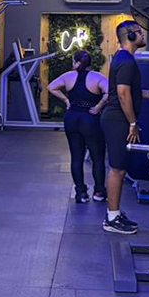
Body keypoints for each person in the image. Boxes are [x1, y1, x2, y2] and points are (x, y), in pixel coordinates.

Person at [100, 20, 149, 234]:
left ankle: (115, 213)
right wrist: (132, 123)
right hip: (117, 120)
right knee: (117, 168)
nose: (143, 35)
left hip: (118, 119)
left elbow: (128, 90)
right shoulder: (126, 61)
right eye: (139, 32)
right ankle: (112, 218)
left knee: (120, 168)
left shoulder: (125, 59)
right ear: (130, 35)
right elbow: (122, 94)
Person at [47, 50, 108, 204]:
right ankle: (99, 191)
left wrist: (66, 100)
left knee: (76, 157)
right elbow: (110, 92)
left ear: (76, 63)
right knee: (97, 157)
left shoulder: (68, 76)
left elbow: (51, 87)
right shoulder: (98, 77)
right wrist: (99, 105)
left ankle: (80, 193)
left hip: (72, 118)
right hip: (90, 118)